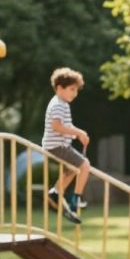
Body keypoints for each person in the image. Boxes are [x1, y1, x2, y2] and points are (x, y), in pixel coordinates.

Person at [42, 66, 90, 225]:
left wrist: (79, 134)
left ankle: (55, 193)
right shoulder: (58, 104)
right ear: (59, 88)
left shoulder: (62, 103)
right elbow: (56, 126)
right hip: (57, 146)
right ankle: (76, 198)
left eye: (76, 90)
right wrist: (78, 133)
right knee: (84, 165)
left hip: (57, 145)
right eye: (71, 89)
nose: (75, 93)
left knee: (72, 169)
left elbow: (66, 126)